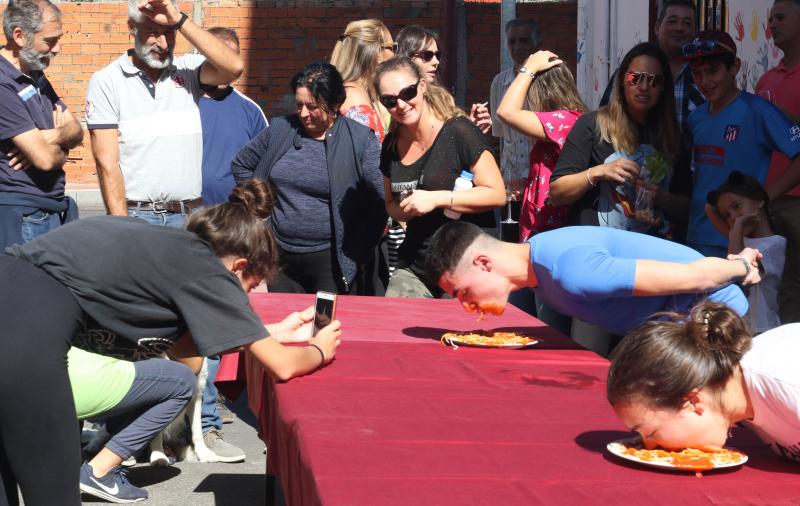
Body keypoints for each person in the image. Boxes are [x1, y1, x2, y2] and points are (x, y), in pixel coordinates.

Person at [0, 178, 341, 504]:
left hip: (13, 303)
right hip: (25, 337)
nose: (246, 300)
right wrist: (318, 349)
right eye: (251, 288)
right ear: (238, 267)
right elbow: (282, 366)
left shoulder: (171, 251)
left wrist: (274, 333)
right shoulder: (210, 273)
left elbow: (185, 350)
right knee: (54, 496)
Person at [424, 221, 754, 356]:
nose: (468, 307)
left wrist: (743, 266)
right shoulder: (539, 266)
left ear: (483, 263)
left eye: (463, 293)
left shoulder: (571, 270)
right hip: (684, 334)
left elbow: (695, 277)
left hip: (719, 330)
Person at [184, 26, 268, 462]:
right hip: (183, 222)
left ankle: (210, 425)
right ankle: (166, 423)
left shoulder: (249, 110)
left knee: (215, 327)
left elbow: (258, 173)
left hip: (227, 234)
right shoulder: (182, 98)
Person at [231, 62, 386, 295]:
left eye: (312, 106)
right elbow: (241, 164)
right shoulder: (281, 129)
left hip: (332, 261)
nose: (303, 113)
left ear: (335, 104)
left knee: (325, 323)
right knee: (287, 322)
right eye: (299, 105)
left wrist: (359, 245)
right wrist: (263, 214)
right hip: (280, 256)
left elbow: (379, 198)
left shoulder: (360, 140)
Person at [86, 0, 244, 227]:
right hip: (139, 217)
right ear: (132, 27)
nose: (163, 43)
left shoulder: (188, 70)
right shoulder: (107, 81)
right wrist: (122, 229)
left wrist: (179, 20)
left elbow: (234, 67)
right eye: (152, 32)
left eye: (169, 33)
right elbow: (107, 165)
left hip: (189, 216)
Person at [374, 56, 505, 298]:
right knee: (396, 327)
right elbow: (391, 205)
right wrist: (409, 209)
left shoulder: (459, 132)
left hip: (469, 266)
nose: (401, 105)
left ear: (422, 87)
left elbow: (496, 193)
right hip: (417, 266)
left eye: (408, 93)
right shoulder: (391, 144)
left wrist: (437, 199)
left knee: (459, 336)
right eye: (390, 101)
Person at [607, 300, 800, 463]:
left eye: (650, 433)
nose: (648, 446)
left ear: (693, 401)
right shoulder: (732, 391)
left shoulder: (787, 383)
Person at [550, 42, 690, 241]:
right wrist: (599, 172)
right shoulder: (592, 125)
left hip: (654, 252)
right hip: (600, 248)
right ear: (622, 80)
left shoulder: (672, 135)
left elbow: (686, 209)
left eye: (654, 81)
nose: (644, 87)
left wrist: (662, 197)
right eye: (635, 78)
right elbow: (556, 193)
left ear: (663, 87)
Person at [683, 29, 800, 258]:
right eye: (697, 74)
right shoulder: (695, 118)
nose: (704, 82)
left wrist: (765, 197)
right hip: (697, 236)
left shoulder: (758, 110)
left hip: (744, 241)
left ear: (734, 67)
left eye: (712, 71)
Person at [0, 0, 83, 249]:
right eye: (50, 40)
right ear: (19, 36)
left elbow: (77, 131)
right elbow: (46, 160)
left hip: (47, 210)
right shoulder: (3, 84)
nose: (58, 48)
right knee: (26, 287)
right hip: (24, 214)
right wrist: (62, 145)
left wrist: (50, 136)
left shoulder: (35, 75)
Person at [70, 347, 195, 502]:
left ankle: (68, 462)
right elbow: (193, 363)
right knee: (183, 379)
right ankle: (99, 470)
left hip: (40, 387)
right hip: (79, 386)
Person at [496, 50, 587, 241]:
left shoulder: (565, 120)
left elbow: (506, 112)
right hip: (543, 229)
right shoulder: (563, 120)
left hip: (552, 233)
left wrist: (528, 70)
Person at [755, 0, 800, 324]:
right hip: (768, 199)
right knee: (776, 284)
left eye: (781, 18)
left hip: (796, 200)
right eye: (771, 20)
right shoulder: (766, 80)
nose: (773, 25)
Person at [599, 0, 704, 133]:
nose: (679, 28)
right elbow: (605, 119)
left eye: (687, 23)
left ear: (695, 31)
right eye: (672, 21)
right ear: (657, 27)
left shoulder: (702, 75)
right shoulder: (630, 72)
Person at [706, 171, 785, 334]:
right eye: (727, 215)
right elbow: (709, 209)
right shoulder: (739, 239)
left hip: (764, 329)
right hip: (745, 329)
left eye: (736, 206)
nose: (733, 217)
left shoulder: (774, 245)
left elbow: (736, 270)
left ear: (759, 201)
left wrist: (737, 227)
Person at [396, 25, 490, 134]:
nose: (436, 62)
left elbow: (449, 141)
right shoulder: (395, 99)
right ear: (408, 58)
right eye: (427, 55)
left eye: (437, 55)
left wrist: (472, 129)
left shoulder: (442, 97)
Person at [490, 19, 542, 188]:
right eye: (512, 41)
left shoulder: (548, 81)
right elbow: (500, 135)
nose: (517, 47)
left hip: (541, 180)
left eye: (523, 40)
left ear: (536, 43)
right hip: (511, 180)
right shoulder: (499, 82)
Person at [330, 18, 395, 141]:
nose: (395, 54)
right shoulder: (356, 101)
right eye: (392, 47)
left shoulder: (351, 92)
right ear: (378, 53)